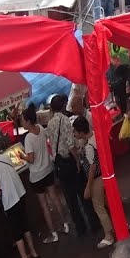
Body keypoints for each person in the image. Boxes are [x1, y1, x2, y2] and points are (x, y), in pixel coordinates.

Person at [0, 141, 40, 258]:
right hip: (20, 193)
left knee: (17, 232)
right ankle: (33, 252)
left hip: (10, 201)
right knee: (25, 225)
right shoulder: (5, 157)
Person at [48, 93, 92, 236]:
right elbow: (70, 143)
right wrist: (77, 161)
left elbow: (51, 143)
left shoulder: (49, 123)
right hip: (69, 161)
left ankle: (80, 227)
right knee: (82, 192)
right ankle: (92, 221)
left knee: (70, 198)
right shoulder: (65, 120)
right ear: (62, 106)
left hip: (59, 164)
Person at [21, 105, 66, 242]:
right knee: (55, 197)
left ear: (28, 121)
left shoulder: (28, 138)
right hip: (48, 169)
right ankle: (65, 224)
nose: (22, 122)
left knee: (45, 205)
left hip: (37, 175)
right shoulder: (40, 128)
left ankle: (53, 234)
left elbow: (31, 159)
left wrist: (22, 156)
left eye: (23, 120)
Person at [72, 116, 115, 249]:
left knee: (99, 207)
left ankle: (109, 235)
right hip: (106, 175)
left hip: (97, 179)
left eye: (75, 131)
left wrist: (88, 186)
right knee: (109, 203)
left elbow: (92, 167)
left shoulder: (89, 147)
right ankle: (120, 224)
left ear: (81, 132)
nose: (74, 134)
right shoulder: (95, 136)